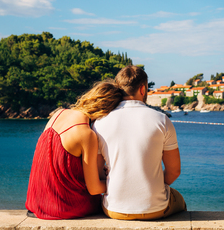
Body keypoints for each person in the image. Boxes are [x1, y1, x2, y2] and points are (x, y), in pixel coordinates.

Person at [93, 65, 186, 220]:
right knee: (179, 201)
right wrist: (150, 184)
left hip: (115, 209)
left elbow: (98, 171)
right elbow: (174, 171)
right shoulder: (162, 120)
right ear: (143, 89)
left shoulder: (100, 122)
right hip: (156, 208)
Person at [25, 80, 123, 220]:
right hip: (65, 207)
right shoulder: (86, 134)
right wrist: (120, 182)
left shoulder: (58, 114)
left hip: (37, 203)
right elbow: (94, 189)